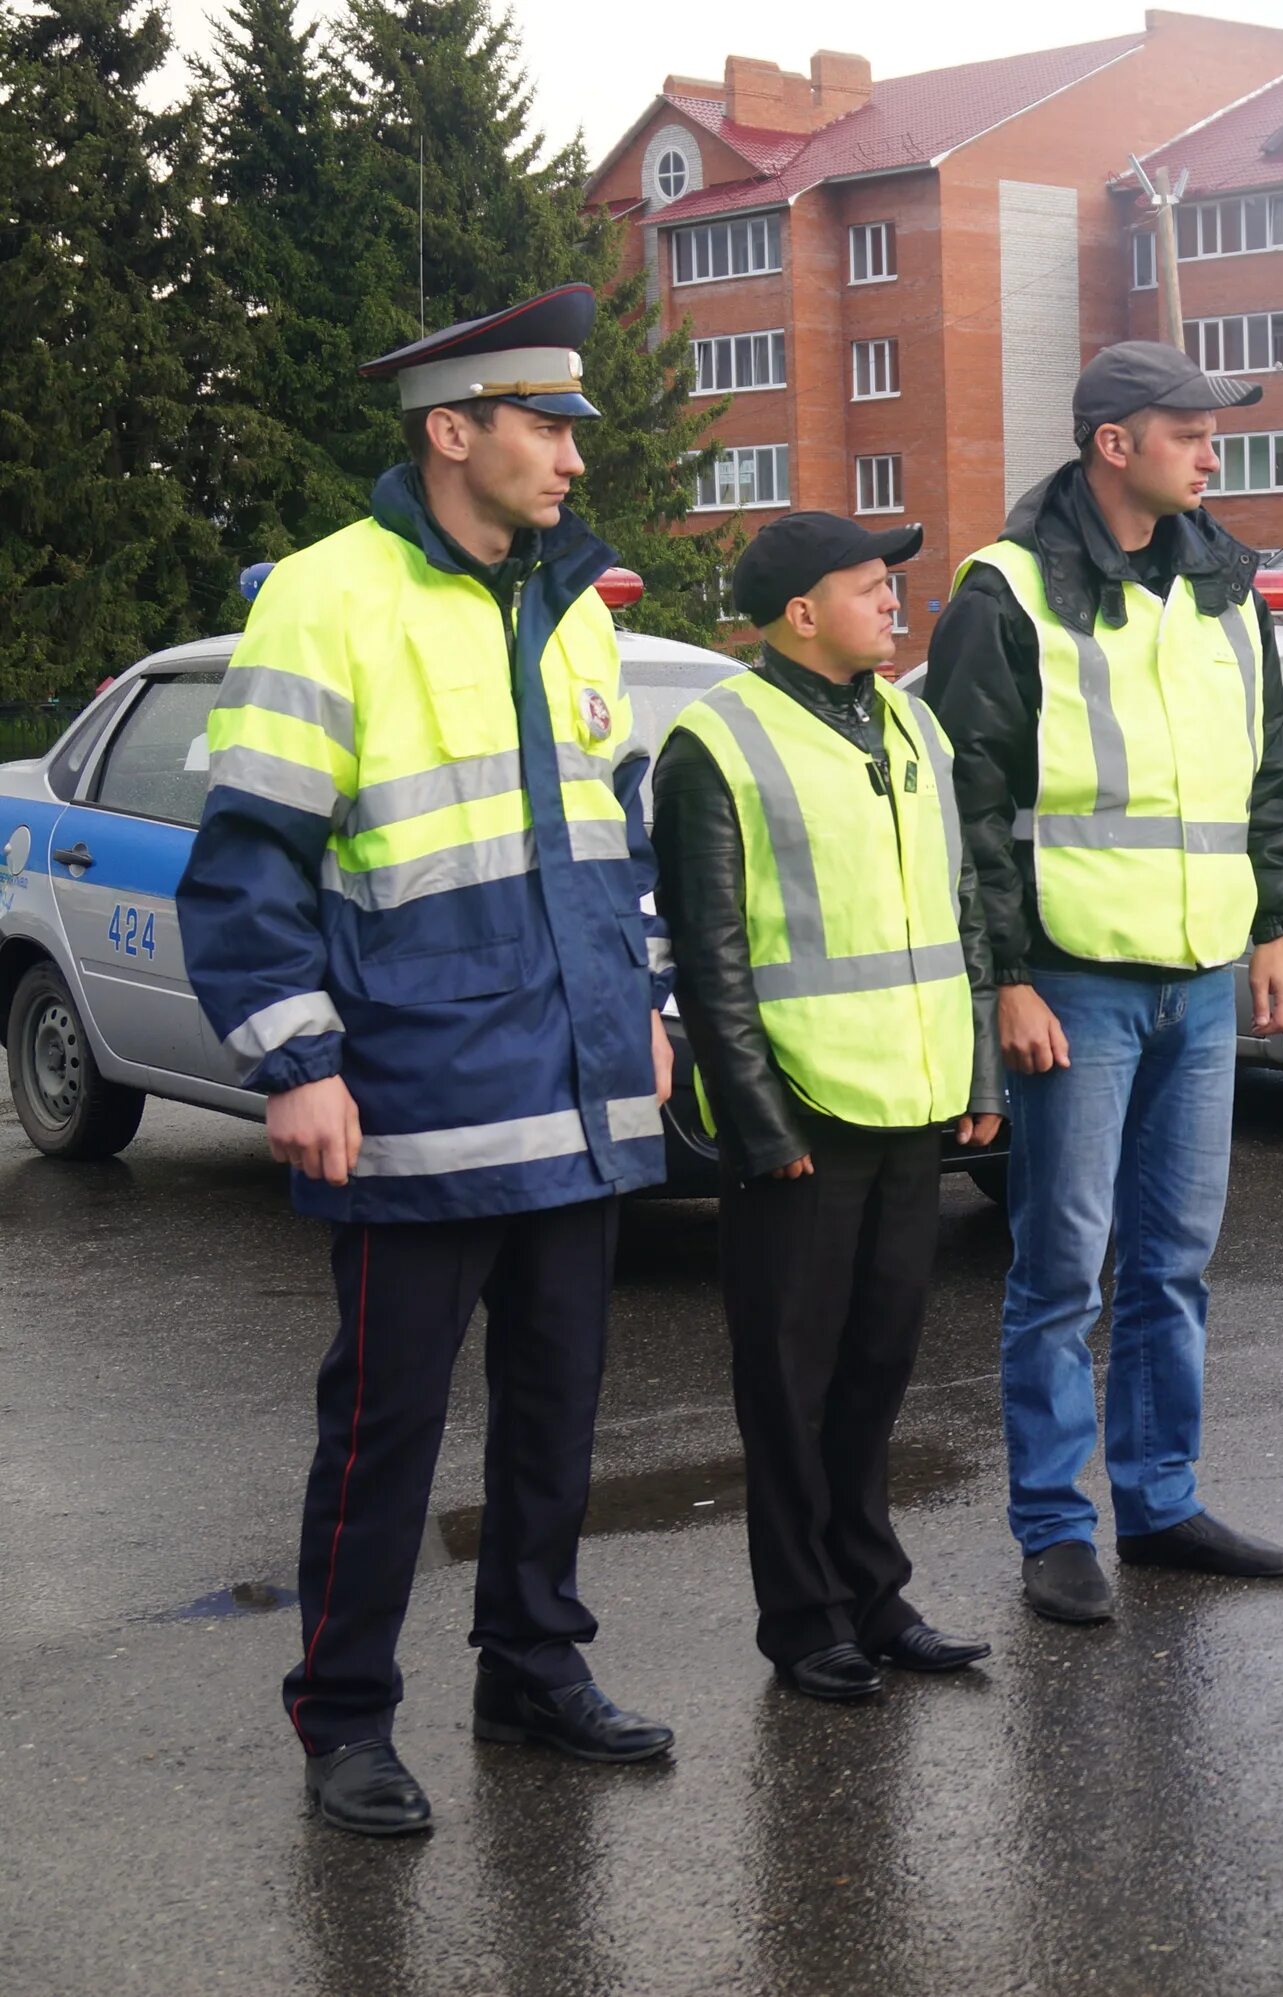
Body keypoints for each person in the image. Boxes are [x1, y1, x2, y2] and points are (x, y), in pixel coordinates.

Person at [177, 285, 676, 1837]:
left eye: (574, 430)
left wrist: (642, 1005)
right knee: (384, 1434)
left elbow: (606, 845)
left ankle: (531, 1667)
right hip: (413, 1098)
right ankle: (344, 1718)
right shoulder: (330, 596)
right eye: (545, 427)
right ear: (451, 431)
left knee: (556, 1408)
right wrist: (295, 1061)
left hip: (579, 1091)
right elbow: (250, 857)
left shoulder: (574, 604)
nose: (572, 461)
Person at [926, 342, 1283, 1625]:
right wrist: (1008, 980)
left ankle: (1158, 1499)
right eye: (1190, 431)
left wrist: (1271, 929)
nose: (1214, 452)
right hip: (1076, 981)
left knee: (1174, 1260)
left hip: (1201, 977)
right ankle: (1054, 1522)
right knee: (1060, 1264)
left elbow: (1263, 777)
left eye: (1215, 430)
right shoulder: (1006, 590)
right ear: (1112, 442)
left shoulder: (1228, 587)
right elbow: (970, 802)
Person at [651, 513, 1003, 1698]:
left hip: (911, 1099)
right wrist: (757, 1122)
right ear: (802, 612)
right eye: (871, 587)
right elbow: (711, 957)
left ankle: (875, 1594)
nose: (894, 602)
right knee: (791, 1384)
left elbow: (963, 909)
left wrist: (977, 1076)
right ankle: (803, 1620)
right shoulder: (717, 744)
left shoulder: (910, 720)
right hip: (801, 1116)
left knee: (877, 1371)